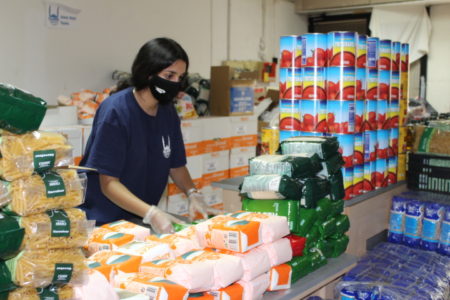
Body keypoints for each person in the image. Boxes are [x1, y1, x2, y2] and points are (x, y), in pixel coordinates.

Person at [80, 37, 209, 234]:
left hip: (138, 221)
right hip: (104, 223)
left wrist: (192, 193)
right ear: (148, 73)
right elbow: (108, 183)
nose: (176, 83)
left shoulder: (167, 112)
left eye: (180, 77)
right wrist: (152, 214)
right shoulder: (116, 112)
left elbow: (176, 165)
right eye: (170, 75)